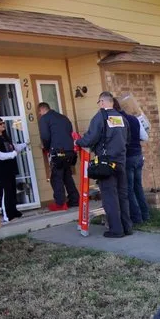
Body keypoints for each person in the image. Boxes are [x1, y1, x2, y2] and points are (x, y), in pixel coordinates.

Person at [77, 91, 131, 238]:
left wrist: (78, 142)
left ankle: (116, 230)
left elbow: (90, 138)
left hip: (106, 163)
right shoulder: (122, 118)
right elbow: (128, 138)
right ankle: (127, 227)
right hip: (121, 161)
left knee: (109, 197)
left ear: (102, 102)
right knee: (122, 195)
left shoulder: (100, 116)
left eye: (99, 102)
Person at [114, 98, 151, 225]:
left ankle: (137, 217)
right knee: (138, 187)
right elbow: (144, 137)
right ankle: (145, 214)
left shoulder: (117, 121)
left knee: (129, 189)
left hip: (127, 157)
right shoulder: (134, 119)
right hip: (138, 156)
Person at [37, 102, 79, 211]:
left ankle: (60, 204)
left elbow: (45, 136)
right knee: (67, 176)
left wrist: (46, 147)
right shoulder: (63, 118)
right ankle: (75, 200)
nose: (40, 114)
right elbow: (70, 132)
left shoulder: (45, 118)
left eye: (39, 112)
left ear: (42, 110)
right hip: (70, 151)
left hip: (57, 151)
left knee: (56, 178)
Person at [0, 116, 28, 221]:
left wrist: (25, 144)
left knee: (13, 190)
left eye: (3, 123)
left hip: (10, 167)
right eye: (0, 124)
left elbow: (14, 147)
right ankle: (6, 214)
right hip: (1, 169)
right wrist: (12, 154)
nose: (3, 125)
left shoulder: (5, 137)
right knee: (6, 191)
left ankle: (14, 211)